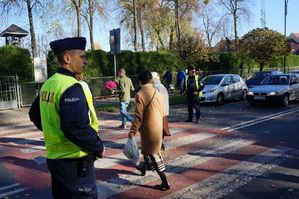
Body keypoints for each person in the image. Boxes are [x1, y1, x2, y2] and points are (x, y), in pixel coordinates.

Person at [29, 37, 104, 199]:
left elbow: (34, 114)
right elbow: (75, 128)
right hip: (75, 163)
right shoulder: (71, 86)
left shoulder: (49, 84)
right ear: (67, 58)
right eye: (82, 57)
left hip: (54, 161)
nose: (85, 61)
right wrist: (98, 147)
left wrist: (53, 128)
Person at [129, 71, 170, 191]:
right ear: (151, 80)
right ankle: (143, 167)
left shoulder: (140, 95)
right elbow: (163, 113)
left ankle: (165, 182)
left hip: (148, 130)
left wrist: (132, 131)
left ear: (140, 81)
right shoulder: (158, 93)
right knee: (150, 153)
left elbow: (138, 117)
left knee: (154, 156)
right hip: (158, 128)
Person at [151, 71, 169, 151]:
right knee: (161, 128)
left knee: (156, 128)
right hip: (164, 111)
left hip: (158, 111)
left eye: (151, 78)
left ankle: (157, 144)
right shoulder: (161, 86)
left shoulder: (155, 87)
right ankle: (161, 142)